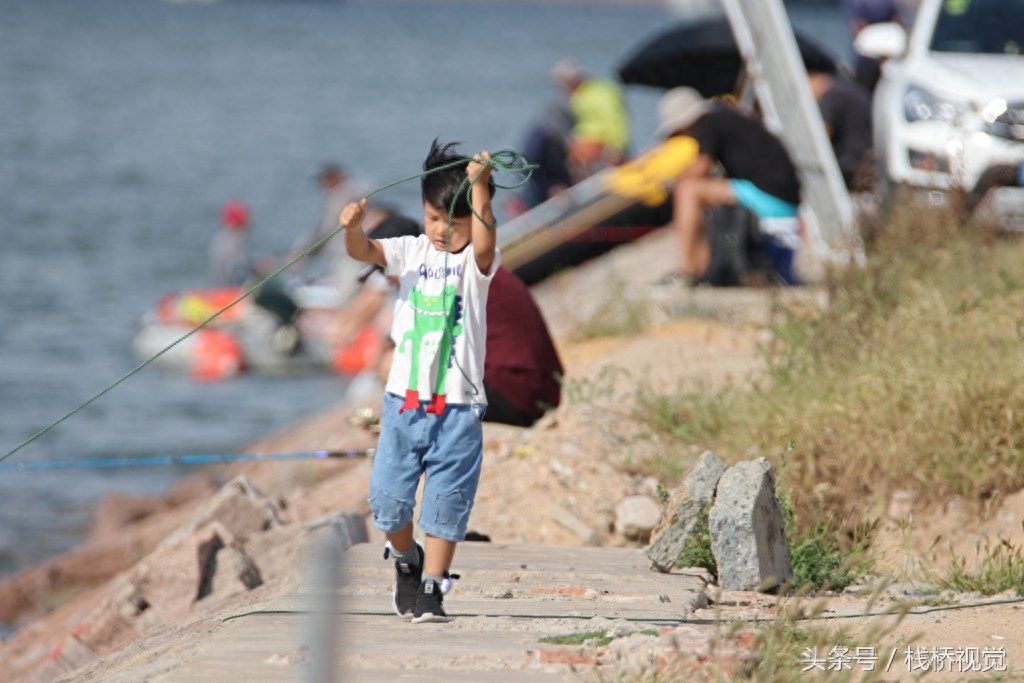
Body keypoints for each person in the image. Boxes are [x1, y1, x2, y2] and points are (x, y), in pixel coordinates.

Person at [339, 139, 498, 624]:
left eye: (456, 221)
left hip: (458, 407)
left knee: (448, 501)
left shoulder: (476, 266)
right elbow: (362, 250)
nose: (442, 231)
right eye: (433, 219)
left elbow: (487, 238)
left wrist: (481, 189)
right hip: (403, 404)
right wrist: (352, 228)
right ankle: (407, 561)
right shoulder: (410, 251)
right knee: (387, 503)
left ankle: (433, 586)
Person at [656, 87, 802, 284]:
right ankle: (703, 267)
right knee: (702, 193)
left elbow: (700, 168)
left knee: (688, 191)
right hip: (784, 199)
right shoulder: (728, 119)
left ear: (684, 124)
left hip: (770, 198)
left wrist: (673, 185)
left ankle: (688, 269)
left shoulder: (708, 123)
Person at [550, 58, 630, 179]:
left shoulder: (598, 93)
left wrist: (616, 147)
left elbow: (615, 121)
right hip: (591, 143)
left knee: (577, 154)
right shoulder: (582, 95)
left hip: (602, 144)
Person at [808, 70, 874, 192]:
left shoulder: (831, 95)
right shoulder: (846, 88)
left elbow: (822, 135)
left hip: (852, 163)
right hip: (868, 160)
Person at [842, 0, 903, 92]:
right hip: (884, 60)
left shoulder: (858, 3)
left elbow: (858, 27)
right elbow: (898, 22)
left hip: (867, 62)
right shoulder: (887, 2)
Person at [207, 200, 251, 287]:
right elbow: (234, 272)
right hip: (227, 290)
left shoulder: (222, 237)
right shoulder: (233, 241)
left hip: (218, 287)